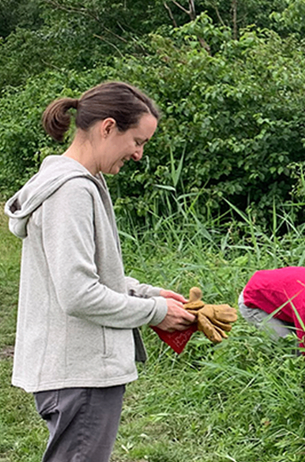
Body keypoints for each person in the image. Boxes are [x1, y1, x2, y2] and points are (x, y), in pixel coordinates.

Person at [4, 81, 196, 461]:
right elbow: (78, 293)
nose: (139, 154)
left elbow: (82, 275)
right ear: (108, 127)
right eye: (137, 141)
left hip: (76, 373)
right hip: (81, 373)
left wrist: (147, 294)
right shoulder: (70, 191)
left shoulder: (79, 183)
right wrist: (156, 312)